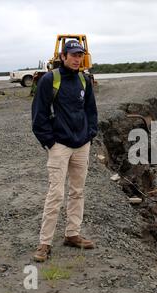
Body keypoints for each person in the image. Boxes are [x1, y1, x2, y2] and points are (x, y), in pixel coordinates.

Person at [31, 40, 98, 262]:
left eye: (80, 55)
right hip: (59, 145)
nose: (77, 59)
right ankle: (44, 243)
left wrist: (90, 133)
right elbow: (38, 115)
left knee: (77, 191)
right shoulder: (50, 79)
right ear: (63, 57)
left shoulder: (84, 79)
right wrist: (49, 142)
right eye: (73, 55)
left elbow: (90, 110)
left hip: (82, 145)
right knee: (56, 193)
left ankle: (72, 234)